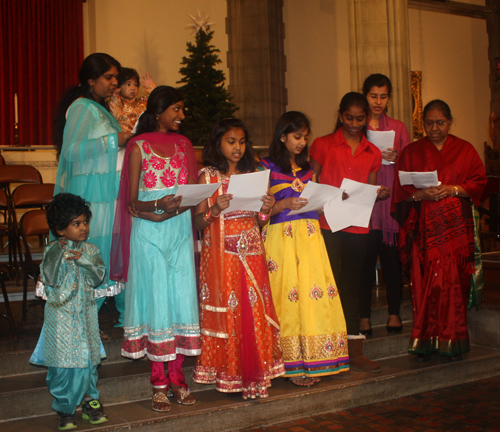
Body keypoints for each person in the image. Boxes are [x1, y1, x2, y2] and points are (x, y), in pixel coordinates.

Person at [111, 86, 201, 412]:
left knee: (178, 301)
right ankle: (158, 383)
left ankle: (178, 379)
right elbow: (132, 202)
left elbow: (190, 192)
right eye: (176, 109)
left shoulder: (184, 145)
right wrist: (157, 206)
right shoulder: (139, 146)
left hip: (177, 231)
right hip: (149, 233)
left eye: (182, 109)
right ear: (159, 109)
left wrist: (173, 209)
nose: (182, 115)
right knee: (157, 302)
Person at [192, 118, 285, 399]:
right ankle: (230, 373)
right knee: (232, 311)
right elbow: (197, 223)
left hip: (251, 251)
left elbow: (258, 222)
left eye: (242, 142)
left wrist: (267, 209)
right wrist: (215, 208)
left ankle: (257, 373)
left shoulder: (255, 173)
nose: (238, 147)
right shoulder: (207, 177)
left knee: (254, 310)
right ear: (218, 143)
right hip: (222, 258)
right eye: (231, 141)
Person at [391, 99, 487, 362]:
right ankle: (425, 338)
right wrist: (420, 193)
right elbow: (400, 194)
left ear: (450, 122)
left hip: (456, 236)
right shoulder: (411, 152)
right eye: (429, 123)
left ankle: (453, 339)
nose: (434, 128)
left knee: (454, 284)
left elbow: (479, 183)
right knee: (424, 285)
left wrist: (452, 189)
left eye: (440, 123)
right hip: (424, 235)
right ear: (423, 124)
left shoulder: (465, 150)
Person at [259, 111, 349, 386]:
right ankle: (290, 366)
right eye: (297, 137)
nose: (301, 142)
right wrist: (283, 205)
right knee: (286, 296)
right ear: (283, 135)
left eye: (305, 137)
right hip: (280, 237)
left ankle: (314, 361)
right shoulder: (265, 167)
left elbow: (314, 200)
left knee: (314, 296)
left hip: (310, 237)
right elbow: (259, 211)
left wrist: (329, 200)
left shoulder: (308, 167)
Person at [309, 92, 390, 373]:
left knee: (353, 284)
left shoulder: (373, 152)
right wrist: (317, 204)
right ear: (340, 115)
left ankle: (354, 350)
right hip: (327, 223)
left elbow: (370, 190)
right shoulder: (323, 144)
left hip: (357, 224)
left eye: (360, 118)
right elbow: (311, 180)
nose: (354, 124)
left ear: (366, 118)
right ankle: (325, 348)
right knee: (327, 283)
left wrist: (379, 194)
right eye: (348, 118)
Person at [53, 53, 133, 330]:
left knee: (114, 251)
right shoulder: (81, 107)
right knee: (96, 253)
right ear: (90, 80)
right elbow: (72, 151)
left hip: (109, 193)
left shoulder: (99, 108)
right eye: (108, 77)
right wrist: (116, 140)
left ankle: (124, 318)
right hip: (94, 194)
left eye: (116, 77)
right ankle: (82, 320)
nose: (114, 83)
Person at [30, 193, 108, 430]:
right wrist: (59, 256)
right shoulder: (51, 250)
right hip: (60, 318)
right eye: (76, 224)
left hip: (86, 315)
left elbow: (97, 278)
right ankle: (64, 409)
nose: (83, 228)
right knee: (62, 365)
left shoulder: (91, 249)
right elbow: (50, 279)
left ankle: (90, 401)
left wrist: (84, 261)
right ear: (60, 229)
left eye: (85, 222)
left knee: (88, 361)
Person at [359, 74, 411, 336]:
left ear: (389, 98)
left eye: (383, 96)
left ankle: (394, 313)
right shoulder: (357, 125)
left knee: (392, 261)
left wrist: (397, 157)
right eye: (373, 96)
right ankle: (364, 317)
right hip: (366, 200)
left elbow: (410, 164)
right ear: (365, 95)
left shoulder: (399, 128)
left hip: (390, 201)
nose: (378, 101)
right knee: (365, 262)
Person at [108, 68, 156, 133]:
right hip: (125, 139)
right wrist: (114, 96)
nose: (133, 88)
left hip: (142, 138)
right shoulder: (118, 102)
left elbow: (156, 103)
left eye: (135, 85)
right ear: (119, 87)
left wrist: (151, 88)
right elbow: (114, 114)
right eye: (128, 84)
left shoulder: (141, 101)